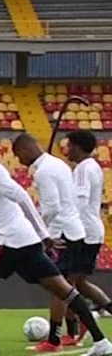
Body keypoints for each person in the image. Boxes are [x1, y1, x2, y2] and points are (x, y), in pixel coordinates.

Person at [0, 131, 112, 356]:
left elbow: (21, 195)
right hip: (26, 239)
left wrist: (43, 232)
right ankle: (101, 341)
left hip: (9, 240)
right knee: (64, 289)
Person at [15, 131, 93, 351]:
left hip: (62, 235)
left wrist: (43, 233)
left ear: (26, 150)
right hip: (74, 230)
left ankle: (54, 339)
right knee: (67, 286)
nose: (20, 162)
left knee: (57, 288)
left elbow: (52, 207)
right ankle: (79, 325)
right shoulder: (58, 165)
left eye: (19, 156)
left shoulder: (44, 172)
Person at [63, 129, 111, 323]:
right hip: (92, 229)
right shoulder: (93, 166)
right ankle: (108, 307)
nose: (66, 150)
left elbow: (80, 199)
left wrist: (68, 220)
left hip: (83, 231)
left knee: (68, 283)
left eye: (69, 145)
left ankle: (72, 329)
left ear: (76, 146)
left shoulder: (83, 168)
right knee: (80, 282)